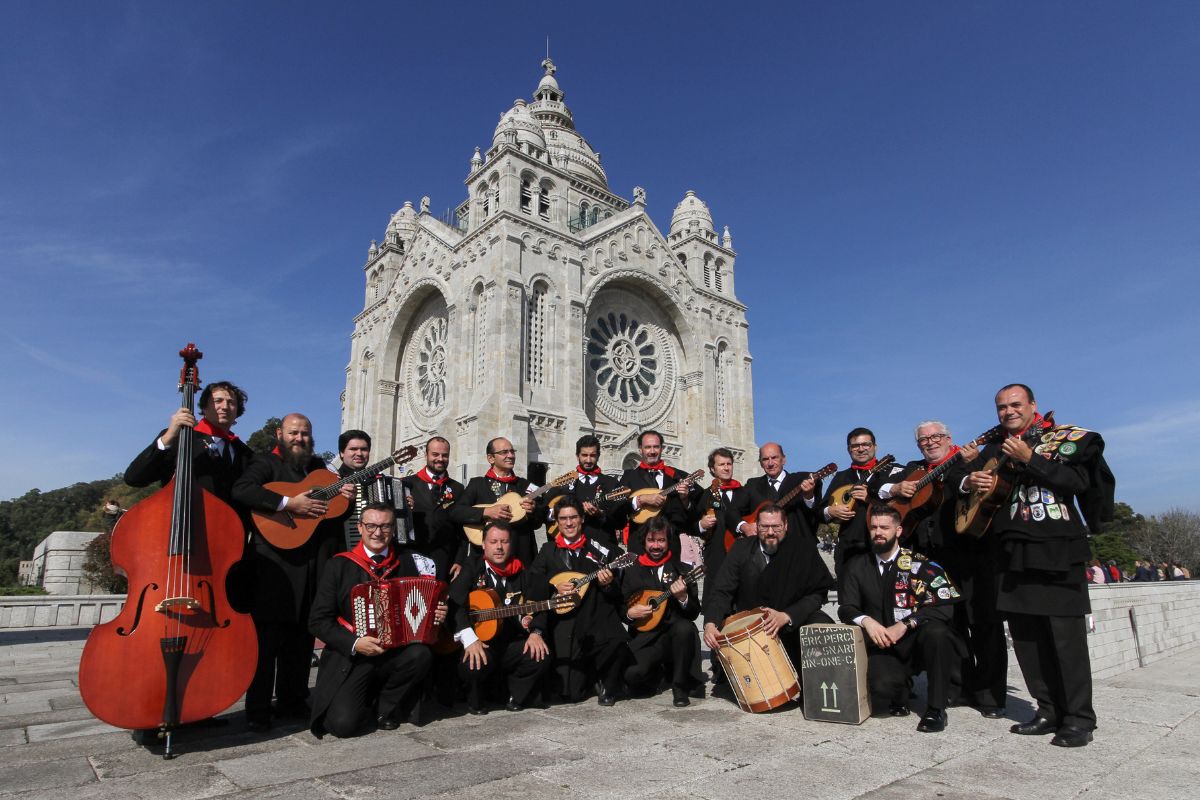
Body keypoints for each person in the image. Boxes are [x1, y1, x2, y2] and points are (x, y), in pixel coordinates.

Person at [964, 383, 1114, 748]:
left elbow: (1075, 483)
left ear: (1033, 405)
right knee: (1027, 639)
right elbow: (985, 496)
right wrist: (974, 481)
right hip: (1011, 552)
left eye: (1015, 404)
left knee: (1066, 639)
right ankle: (1047, 709)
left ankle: (1079, 718)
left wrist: (1031, 458)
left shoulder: (1067, 439)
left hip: (1057, 550)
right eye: (1001, 407)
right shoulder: (994, 448)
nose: (1008, 412)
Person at [232, 413, 356, 731]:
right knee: (267, 641)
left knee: (301, 639)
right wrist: (288, 503)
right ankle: (258, 708)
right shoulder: (264, 463)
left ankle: (292, 700)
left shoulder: (317, 467)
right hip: (274, 567)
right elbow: (243, 490)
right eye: (293, 433)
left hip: (311, 565)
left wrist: (344, 496)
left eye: (304, 433)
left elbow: (332, 507)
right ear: (280, 434)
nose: (299, 438)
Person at [880, 421, 1001, 716]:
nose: (930, 442)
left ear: (949, 438)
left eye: (936, 437)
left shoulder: (971, 458)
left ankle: (990, 696)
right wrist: (895, 487)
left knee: (983, 623)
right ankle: (956, 688)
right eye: (924, 439)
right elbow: (879, 487)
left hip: (973, 553)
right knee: (949, 625)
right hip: (932, 559)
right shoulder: (914, 468)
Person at [307, 503, 446, 737]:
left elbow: (423, 605)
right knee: (343, 726)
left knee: (420, 655)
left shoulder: (408, 563)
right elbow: (318, 620)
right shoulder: (339, 565)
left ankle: (385, 708)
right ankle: (363, 700)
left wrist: (437, 614)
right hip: (353, 658)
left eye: (385, 526)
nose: (377, 532)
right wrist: (354, 643)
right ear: (360, 527)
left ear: (393, 529)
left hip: (394, 654)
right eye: (371, 525)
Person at [838, 506, 964, 733]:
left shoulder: (920, 563)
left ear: (898, 530)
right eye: (874, 527)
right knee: (881, 696)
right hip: (882, 644)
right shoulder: (857, 565)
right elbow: (846, 607)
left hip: (916, 641)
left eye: (885, 527)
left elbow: (944, 605)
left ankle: (936, 709)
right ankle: (901, 689)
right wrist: (867, 621)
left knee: (938, 633)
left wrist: (906, 624)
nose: (878, 532)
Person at [702, 504, 835, 671]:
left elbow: (818, 593)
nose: (771, 532)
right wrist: (710, 623)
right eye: (764, 527)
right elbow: (722, 590)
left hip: (791, 624)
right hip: (754, 629)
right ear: (756, 526)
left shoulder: (803, 549)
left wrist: (787, 615)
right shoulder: (741, 549)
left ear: (785, 525)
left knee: (822, 624)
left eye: (776, 526)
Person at [530, 498, 629, 705]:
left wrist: (608, 583)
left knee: (617, 639)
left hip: (594, 617)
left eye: (573, 517)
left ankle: (608, 683)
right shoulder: (548, 550)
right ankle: (589, 675)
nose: (568, 523)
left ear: (582, 519)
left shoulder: (599, 550)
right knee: (571, 694)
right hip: (564, 623)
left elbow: (618, 588)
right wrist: (553, 586)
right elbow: (533, 582)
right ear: (556, 522)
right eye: (563, 519)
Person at [449, 520, 551, 714]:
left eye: (504, 542)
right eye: (494, 541)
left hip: (510, 642)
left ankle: (514, 696)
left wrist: (536, 632)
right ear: (483, 544)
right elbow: (455, 603)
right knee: (473, 663)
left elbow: (539, 606)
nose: (498, 547)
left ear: (511, 544)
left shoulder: (521, 571)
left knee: (540, 654)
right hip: (480, 642)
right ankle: (476, 700)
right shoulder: (471, 567)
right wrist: (470, 639)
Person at [124, 380, 254, 506]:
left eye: (231, 402)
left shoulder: (244, 452)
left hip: (229, 526)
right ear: (204, 407)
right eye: (218, 401)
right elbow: (135, 478)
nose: (225, 406)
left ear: (237, 410)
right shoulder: (179, 438)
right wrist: (168, 437)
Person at [622, 516, 702, 707]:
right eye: (651, 540)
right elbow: (621, 604)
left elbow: (694, 613)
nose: (656, 546)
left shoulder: (681, 570)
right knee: (632, 675)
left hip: (675, 635)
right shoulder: (631, 570)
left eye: (661, 540)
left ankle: (680, 686)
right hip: (646, 637)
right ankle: (657, 672)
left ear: (668, 542)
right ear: (644, 541)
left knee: (685, 628)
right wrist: (629, 614)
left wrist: (683, 597)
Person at [450, 437, 542, 565]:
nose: (510, 455)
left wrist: (533, 511)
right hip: (485, 558)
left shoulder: (525, 486)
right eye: (504, 452)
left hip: (519, 556)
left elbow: (537, 523)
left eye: (512, 451)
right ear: (491, 458)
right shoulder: (477, 484)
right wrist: (486, 512)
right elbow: (456, 512)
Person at [820, 428, 891, 586]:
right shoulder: (841, 477)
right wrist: (830, 511)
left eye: (866, 444)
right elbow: (820, 511)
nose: (861, 449)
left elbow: (901, 507)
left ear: (875, 447)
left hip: (883, 548)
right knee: (850, 604)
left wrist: (870, 499)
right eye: (855, 446)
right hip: (849, 550)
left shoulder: (890, 471)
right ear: (848, 450)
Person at [619, 430, 699, 555]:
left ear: (662, 448)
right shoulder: (629, 477)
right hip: (639, 547)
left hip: (670, 547)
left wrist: (685, 499)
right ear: (640, 449)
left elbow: (695, 511)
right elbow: (617, 509)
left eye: (656, 447)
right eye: (647, 447)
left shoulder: (678, 476)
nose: (652, 451)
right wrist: (641, 500)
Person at [400, 436, 465, 577]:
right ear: (426, 455)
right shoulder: (406, 484)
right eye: (435, 454)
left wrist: (459, 560)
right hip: (412, 558)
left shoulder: (458, 488)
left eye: (445, 455)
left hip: (445, 561)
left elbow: (462, 530)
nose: (440, 459)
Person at [547, 434, 626, 551]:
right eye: (584, 455)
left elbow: (621, 521)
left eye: (592, 455)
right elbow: (544, 512)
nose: (588, 460)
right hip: (568, 549)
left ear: (598, 456)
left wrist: (601, 514)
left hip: (602, 547)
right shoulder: (563, 483)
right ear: (577, 456)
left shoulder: (612, 484)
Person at [738, 443, 822, 546]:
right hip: (762, 551)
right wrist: (745, 527)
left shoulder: (802, 480)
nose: (770, 463)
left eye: (774, 458)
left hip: (798, 548)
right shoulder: (752, 485)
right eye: (765, 459)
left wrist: (808, 496)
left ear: (784, 460)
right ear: (760, 463)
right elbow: (732, 511)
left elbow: (816, 513)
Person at [691, 447, 747, 579]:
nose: (726, 468)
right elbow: (690, 525)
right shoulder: (704, 496)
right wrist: (701, 524)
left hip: (743, 555)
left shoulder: (745, 492)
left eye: (729, 464)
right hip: (716, 556)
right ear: (712, 469)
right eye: (721, 464)